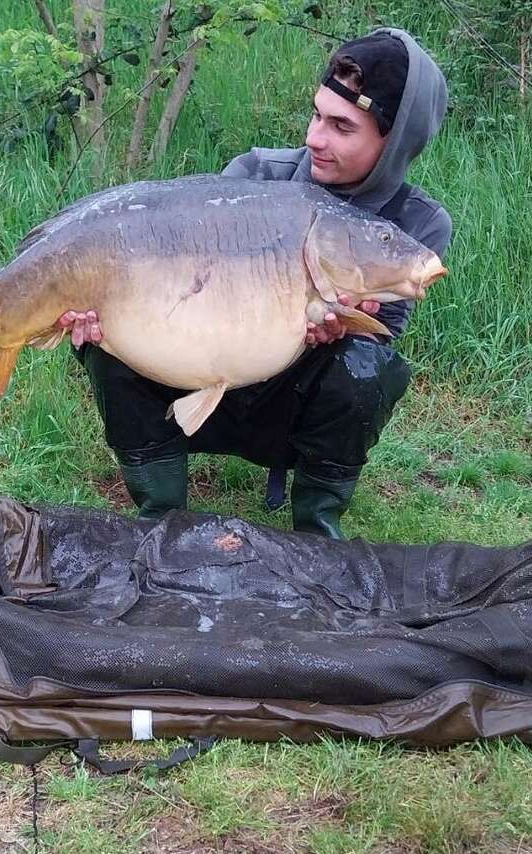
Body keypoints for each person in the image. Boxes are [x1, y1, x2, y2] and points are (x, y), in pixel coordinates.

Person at [58, 27, 452, 539]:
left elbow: (383, 337)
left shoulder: (415, 227)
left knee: (368, 365)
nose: (314, 139)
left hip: (290, 409)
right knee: (106, 335)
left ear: (395, 140)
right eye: (317, 115)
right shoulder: (257, 175)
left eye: (341, 126)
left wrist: (344, 331)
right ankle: (159, 518)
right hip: (195, 374)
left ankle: (316, 529)